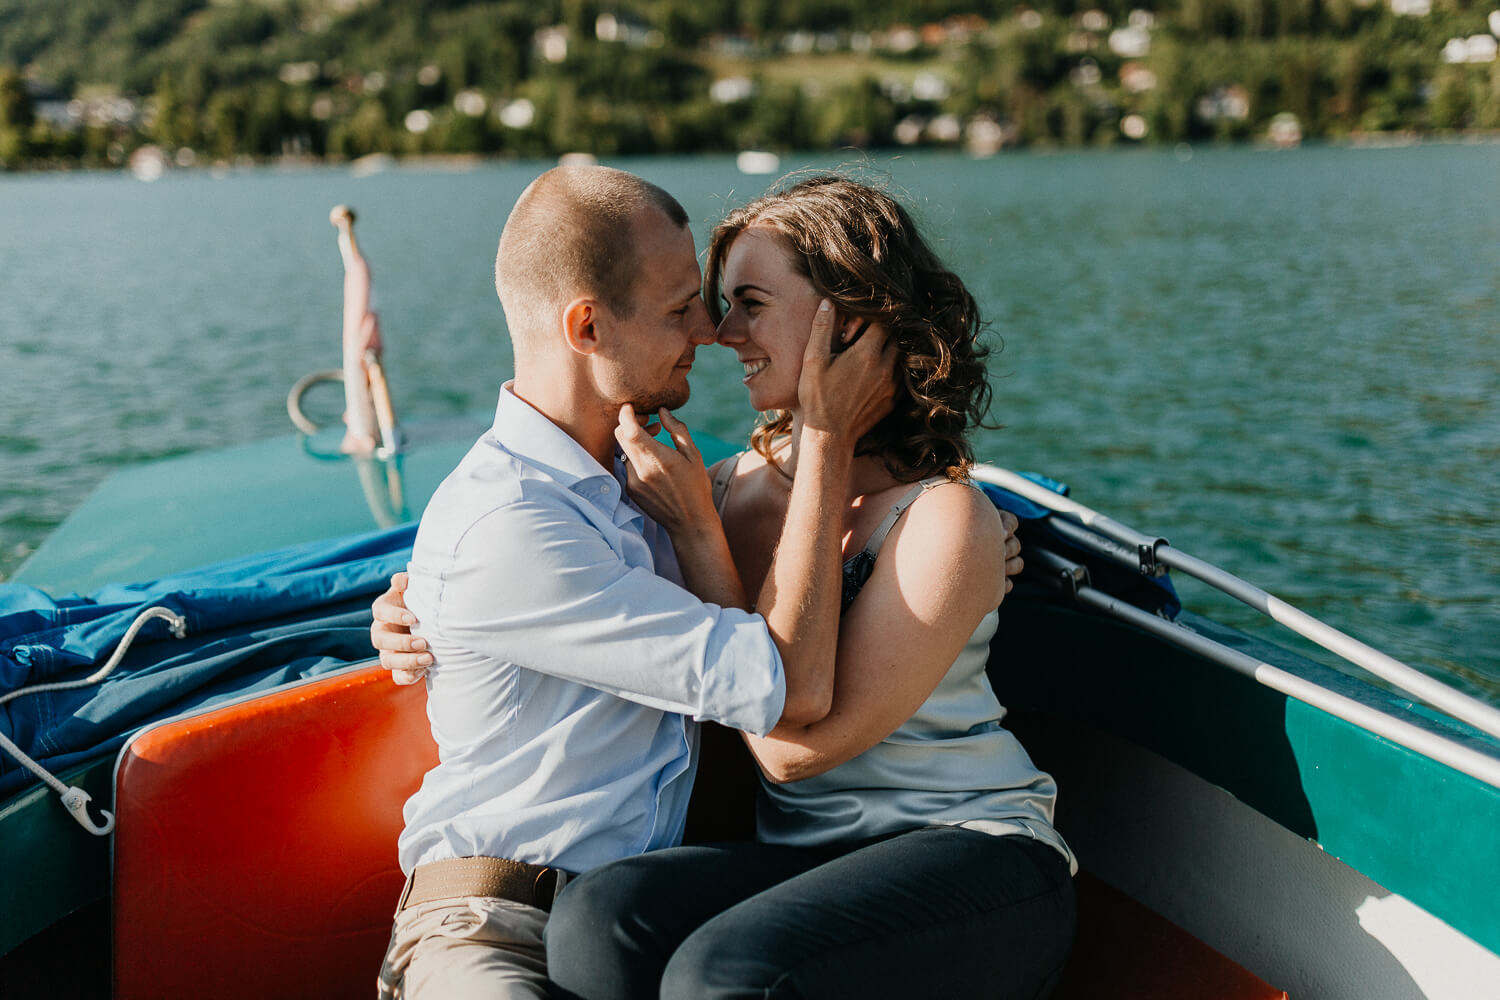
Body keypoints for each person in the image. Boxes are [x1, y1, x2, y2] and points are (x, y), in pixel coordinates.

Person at [374, 175, 1076, 999]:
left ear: (847, 324)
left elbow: (789, 748)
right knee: (599, 927)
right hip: (800, 862)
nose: (720, 333)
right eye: (702, 306)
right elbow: (523, 564)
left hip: (969, 848)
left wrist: (810, 453)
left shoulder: (946, 518)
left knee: (722, 974)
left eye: (748, 302)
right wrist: (412, 604)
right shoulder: (713, 494)